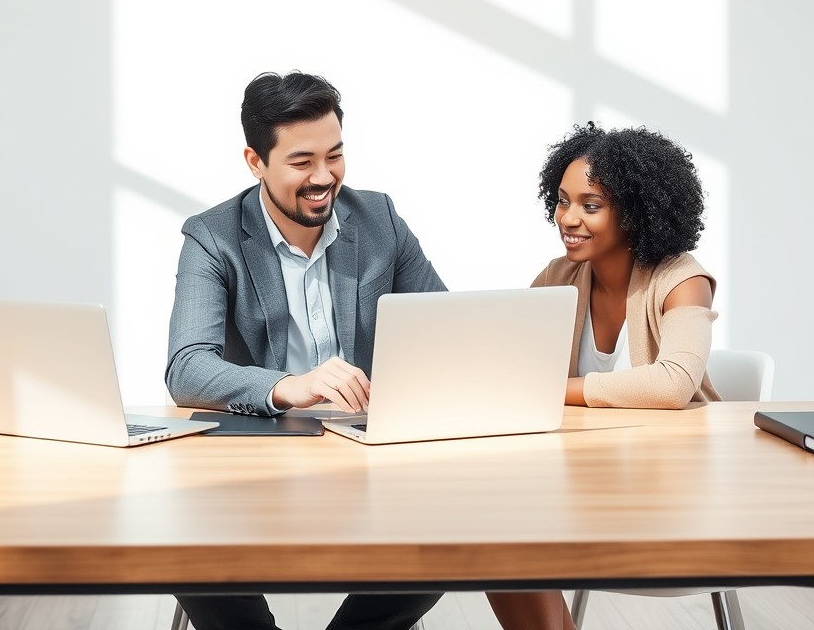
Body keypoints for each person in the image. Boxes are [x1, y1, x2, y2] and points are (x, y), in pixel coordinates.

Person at [165, 70, 446, 630]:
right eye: (301, 162)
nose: (324, 177)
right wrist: (286, 386)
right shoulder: (212, 236)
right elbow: (186, 367)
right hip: (255, 452)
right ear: (255, 161)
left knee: (451, 532)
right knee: (188, 544)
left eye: (335, 156)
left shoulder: (380, 219)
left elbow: (445, 331)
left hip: (365, 447)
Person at [486, 122, 720, 630]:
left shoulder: (682, 279)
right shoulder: (559, 277)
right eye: (563, 201)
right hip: (582, 482)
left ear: (635, 212)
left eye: (590, 205)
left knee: (503, 525)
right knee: (487, 522)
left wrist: (551, 390)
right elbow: (509, 369)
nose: (567, 218)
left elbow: (672, 382)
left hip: (672, 491)